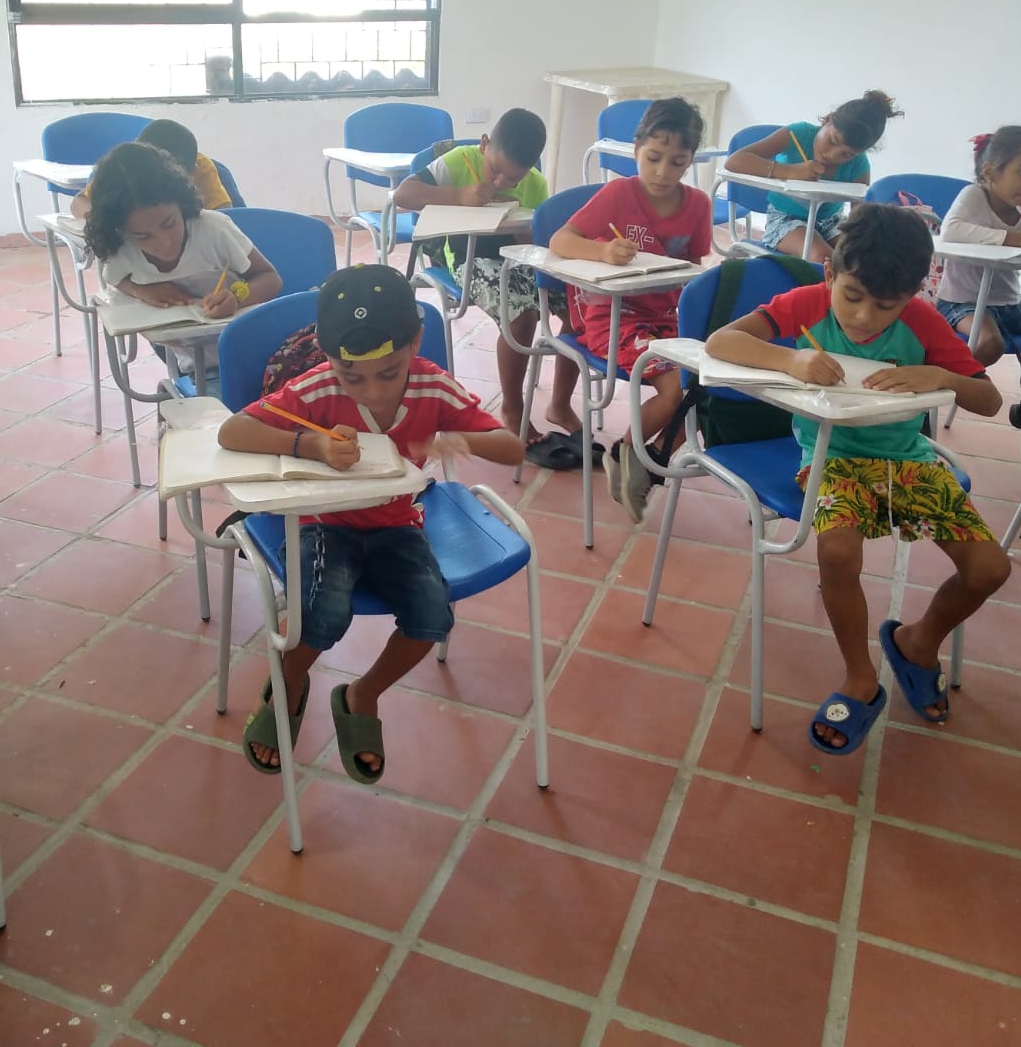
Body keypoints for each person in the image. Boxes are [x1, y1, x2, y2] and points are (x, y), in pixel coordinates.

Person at [704, 204, 1011, 755]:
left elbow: (989, 400)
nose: (866, 317)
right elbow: (721, 343)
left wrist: (941, 375)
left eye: (886, 305)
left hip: (908, 462)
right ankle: (859, 676)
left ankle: (917, 643)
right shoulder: (807, 305)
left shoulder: (923, 322)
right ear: (830, 274)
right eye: (853, 297)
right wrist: (789, 360)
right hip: (830, 458)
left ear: (914, 293)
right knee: (839, 555)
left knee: (990, 568)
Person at [217, 265, 523, 782]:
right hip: (323, 521)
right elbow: (232, 431)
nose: (373, 393)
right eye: (352, 377)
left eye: (390, 371)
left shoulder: (432, 386)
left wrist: (462, 440)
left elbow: (512, 446)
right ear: (327, 355)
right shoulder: (314, 389)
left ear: (416, 342)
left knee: (431, 617)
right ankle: (287, 683)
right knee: (322, 616)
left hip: (398, 523)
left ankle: (363, 695)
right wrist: (310, 443)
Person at [549, 98, 713, 522]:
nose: (663, 172)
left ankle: (647, 459)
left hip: (666, 318)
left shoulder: (697, 204)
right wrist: (602, 250)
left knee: (709, 386)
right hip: (612, 316)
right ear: (636, 148)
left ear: (691, 160)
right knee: (676, 388)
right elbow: (560, 242)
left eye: (677, 162)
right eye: (653, 158)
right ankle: (627, 453)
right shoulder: (619, 193)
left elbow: (693, 270)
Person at [394, 108, 581, 447]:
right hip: (466, 256)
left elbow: (537, 241)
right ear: (483, 145)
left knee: (578, 312)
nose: (500, 183)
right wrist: (458, 197)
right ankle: (512, 407)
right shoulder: (456, 162)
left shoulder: (536, 185)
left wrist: (524, 232)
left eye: (514, 179)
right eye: (495, 170)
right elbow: (403, 195)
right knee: (522, 316)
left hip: (518, 259)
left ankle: (560, 404)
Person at [937, 126, 1021, 447]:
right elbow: (951, 231)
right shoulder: (974, 196)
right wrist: (1019, 238)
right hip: (961, 301)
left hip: (1012, 303)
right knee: (989, 342)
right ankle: (936, 391)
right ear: (990, 172)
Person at [81, 142, 280, 316]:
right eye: (143, 236)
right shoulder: (121, 244)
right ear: (120, 229)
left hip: (238, 339)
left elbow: (271, 278)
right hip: (180, 347)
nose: (164, 242)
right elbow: (115, 278)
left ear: (181, 202)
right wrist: (140, 291)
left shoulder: (213, 229)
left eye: (169, 223)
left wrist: (237, 299)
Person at [725, 90, 902, 261]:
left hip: (832, 223)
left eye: (846, 154)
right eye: (832, 141)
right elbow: (735, 161)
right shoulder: (798, 134)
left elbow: (859, 215)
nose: (832, 155)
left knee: (859, 259)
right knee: (823, 257)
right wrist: (791, 171)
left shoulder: (859, 164)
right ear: (827, 120)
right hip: (785, 220)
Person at [69, 118, 234, 217]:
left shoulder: (201, 167)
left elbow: (225, 214)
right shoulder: (123, 167)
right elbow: (78, 203)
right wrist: (103, 221)